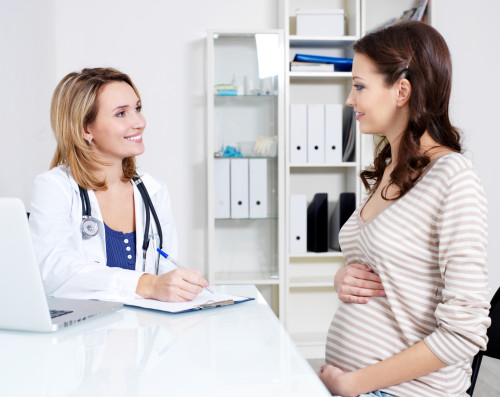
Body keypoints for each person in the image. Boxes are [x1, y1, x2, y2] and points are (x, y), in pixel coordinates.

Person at [318, 21, 490, 397]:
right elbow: (394, 273)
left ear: (401, 91)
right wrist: (341, 279)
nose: (350, 99)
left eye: (359, 86)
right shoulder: (390, 170)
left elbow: (466, 330)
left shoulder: (452, 176)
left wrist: (352, 383)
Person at [29, 67, 209, 302]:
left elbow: (163, 269)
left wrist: (179, 286)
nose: (140, 122)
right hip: (82, 335)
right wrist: (147, 284)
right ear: (85, 129)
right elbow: (54, 271)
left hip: (145, 331)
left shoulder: (153, 191)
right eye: (121, 114)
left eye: (137, 108)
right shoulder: (55, 188)